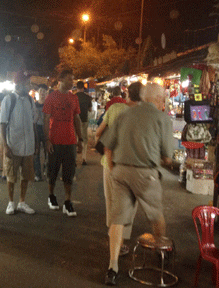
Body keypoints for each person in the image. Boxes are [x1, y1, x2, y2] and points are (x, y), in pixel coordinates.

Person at [103, 83, 173, 286]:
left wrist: (114, 168)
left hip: (120, 172)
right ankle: (161, 255)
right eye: (163, 99)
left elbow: (108, 147)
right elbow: (168, 158)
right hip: (146, 174)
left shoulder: (125, 114)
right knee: (156, 216)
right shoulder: (162, 119)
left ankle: (112, 267)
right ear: (159, 100)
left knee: (117, 220)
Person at [95, 82, 143, 258]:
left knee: (111, 201)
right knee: (128, 205)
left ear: (127, 94)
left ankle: (112, 237)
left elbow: (98, 134)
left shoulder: (115, 108)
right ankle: (121, 241)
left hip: (110, 165)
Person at [43, 69, 83, 217]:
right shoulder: (51, 97)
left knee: (69, 172)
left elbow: (77, 119)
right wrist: (47, 139)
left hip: (70, 141)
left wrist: (81, 139)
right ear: (61, 80)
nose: (72, 82)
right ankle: (51, 196)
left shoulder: (74, 99)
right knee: (52, 171)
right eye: (69, 79)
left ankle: (67, 201)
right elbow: (46, 119)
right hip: (54, 140)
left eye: (72, 79)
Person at [1, 71, 37, 215]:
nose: (29, 86)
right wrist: (5, 145)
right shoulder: (9, 100)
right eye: (27, 83)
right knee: (11, 175)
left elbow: (33, 121)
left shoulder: (29, 100)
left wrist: (36, 142)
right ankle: (11, 203)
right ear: (19, 85)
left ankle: (22, 202)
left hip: (28, 145)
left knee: (26, 176)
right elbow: (2, 123)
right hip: (13, 145)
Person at [33, 84, 48, 181]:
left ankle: (47, 170)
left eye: (44, 91)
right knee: (36, 152)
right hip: (36, 129)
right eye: (41, 91)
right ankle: (37, 174)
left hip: (47, 130)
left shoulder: (50, 105)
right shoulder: (34, 105)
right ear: (38, 92)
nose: (42, 93)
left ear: (47, 93)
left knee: (48, 152)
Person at [75, 81, 92, 165]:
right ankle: (84, 158)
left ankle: (74, 159)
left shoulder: (73, 97)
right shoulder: (88, 97)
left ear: (76, 87)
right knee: (84, 139)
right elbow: (90, 110)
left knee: (74, 138)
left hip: (74, 120)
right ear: (83, 87)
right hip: (84, 120)